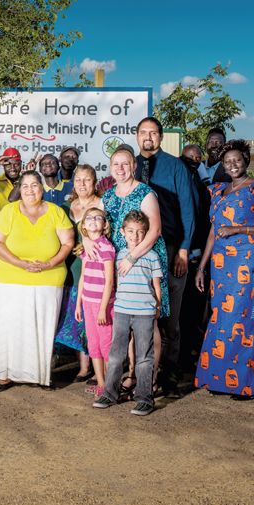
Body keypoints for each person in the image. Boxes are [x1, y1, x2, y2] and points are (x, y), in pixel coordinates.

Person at [194, 140, 254, 398]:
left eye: (237, 160)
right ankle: (221, 380)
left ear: (246, 161)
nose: (232, 165)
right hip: (221, 267)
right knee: (222, 320)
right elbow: (213, 231)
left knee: (245, 321)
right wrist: (202, 266)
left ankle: (245, 384)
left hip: (248, 262)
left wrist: (238, 229)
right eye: (227, 161)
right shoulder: (219, 190)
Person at [0, 171, 75, 391]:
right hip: (11, 277)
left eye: (34, 185)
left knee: (42, 328)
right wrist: (20, 263)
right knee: (9, 327)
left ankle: (41, 374)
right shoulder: (9, 211)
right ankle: (5, 374)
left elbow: (68, 242)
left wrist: (50, 264)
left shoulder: (56, 212)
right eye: (26, 186)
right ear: (19, 189)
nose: (30, 190)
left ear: (42, 187)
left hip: (47, 278)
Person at [100, 144, 168, 398]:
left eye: (125, 163)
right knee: (126, 320)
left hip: (143, 259)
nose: (120, 168)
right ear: (110, 168)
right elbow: (95, 223)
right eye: (115, 164)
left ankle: (149, 379)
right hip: (118, 263)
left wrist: (131, 257)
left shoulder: (146, 193)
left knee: (149, 322)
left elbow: (155, 230)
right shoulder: (107, 195)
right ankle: (131, 376)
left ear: (134, 166)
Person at [135, 116, 196, 393]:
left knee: (169, 315)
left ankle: (169, 372)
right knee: (140, 315)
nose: (148, 137)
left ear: (160, 137)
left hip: (170, 248)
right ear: (137, 136)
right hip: (136, 251)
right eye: (143, 132)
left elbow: (188, 209)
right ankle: (140, 373)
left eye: (153, 133)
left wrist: (183, 249)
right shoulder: (130, 166)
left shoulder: (176, 166)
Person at [93, 210, 162, 416]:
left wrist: (156, 307)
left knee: (144, 357)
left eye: (140, 232)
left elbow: (156, 286)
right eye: (130, 231)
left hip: (144, 313)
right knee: (115, 355)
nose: (135, 236)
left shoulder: (152, 256)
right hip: (122, 310)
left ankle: (144, 398)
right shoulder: (120, 255)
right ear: (123, 232)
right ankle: (110, 393)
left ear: (146, 233)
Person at [56, 164, 103, 382]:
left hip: (94, 268)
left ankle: (99, 365)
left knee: (92, 319)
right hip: (70, 267)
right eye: (78, 180)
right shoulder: (65, 207)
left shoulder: (101, 205)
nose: (82, 184)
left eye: (87, 180)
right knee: (75, 318)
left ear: (94, 182)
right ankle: (83, 367)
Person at [74, 208, 115, 395]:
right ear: (83, 225)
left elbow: (110, 281)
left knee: (106, 345)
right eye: (88, 218)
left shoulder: (106, 247)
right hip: (87, 302)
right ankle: (101, 384)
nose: (93, 221)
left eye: (98, 218)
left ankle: (110, 386)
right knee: (93, 344)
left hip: (102, 304)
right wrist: (78, 304)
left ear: (105, 225)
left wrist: (103, 309)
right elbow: (82, 276)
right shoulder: (86, 248)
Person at [180, 143, 212, 374]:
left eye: (198, 158)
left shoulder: (202, 186)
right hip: (179, 253)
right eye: (189, 157)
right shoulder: (178, 180)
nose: (194, 160)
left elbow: (203, 220)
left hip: (197, 254)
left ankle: (190, 354)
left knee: (194, 308)